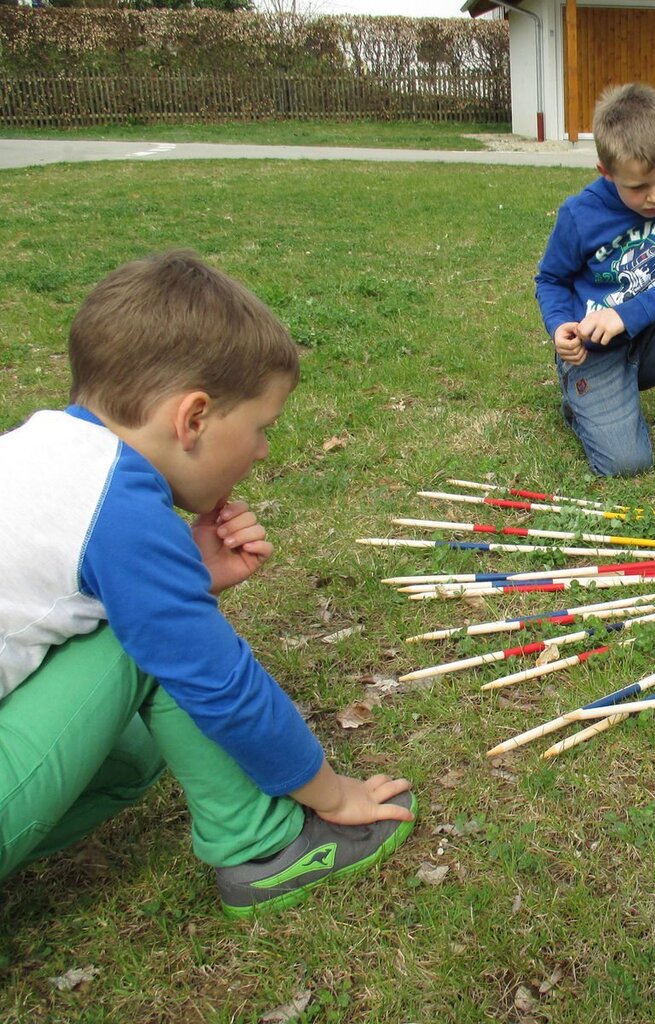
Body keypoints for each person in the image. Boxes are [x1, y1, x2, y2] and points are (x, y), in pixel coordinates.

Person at [0, 251, 415, 915]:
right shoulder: (121, 511)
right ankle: (262, 848)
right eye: (259, 429)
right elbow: (215, 679)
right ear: (193, 418)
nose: (262, 452)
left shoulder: (41, 448)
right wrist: (336, 795)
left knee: (133, 762)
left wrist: (182, 575)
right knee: (159, 653)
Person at [535, 82, 655, 487]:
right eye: (638, 187)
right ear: (606, 173)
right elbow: (550, 279)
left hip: (653, 335)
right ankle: (579, 405)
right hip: (596, 352)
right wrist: (559, 326)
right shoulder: (579, 214)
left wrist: (625, 316)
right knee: (626, 463)